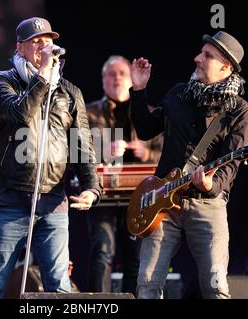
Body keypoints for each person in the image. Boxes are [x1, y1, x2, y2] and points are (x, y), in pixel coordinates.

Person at [0, 17, 101, 299]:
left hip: (53, 200)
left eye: (48, 40)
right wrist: (43, 76)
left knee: (59, 286)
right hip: (9, 198)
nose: (44, 46)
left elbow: (82, 143)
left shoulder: (69, 91)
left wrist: (92, 187)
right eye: (36, 41)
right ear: (20, 48)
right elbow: (20, 115)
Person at [130, 31, 248, 299]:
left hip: (206, 205)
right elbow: (144, 129)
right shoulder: (179, 93)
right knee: (147, 286)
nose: (197, 58)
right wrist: (139, 90)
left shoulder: (240, 111)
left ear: (226, 67)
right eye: (201, 52)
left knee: (215, 287)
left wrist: (211, 184)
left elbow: (230, 166)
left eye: (207, 56)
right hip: (164, 205)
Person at [85, 55, 162, 295]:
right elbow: (76, 152)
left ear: (131, 79)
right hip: (103, 196)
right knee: (102, 253)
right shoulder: (87, 113)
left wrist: (146, 152)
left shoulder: (147, 113)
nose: (117, 78)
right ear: (103, 80)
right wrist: (102, 151)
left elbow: (167, 156)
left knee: (135, 258)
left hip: (138, 198)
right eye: (111, 74)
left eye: (122, 73)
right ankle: (99, 305)